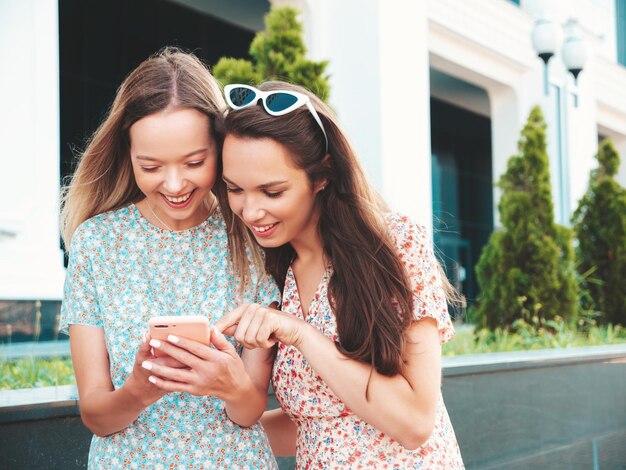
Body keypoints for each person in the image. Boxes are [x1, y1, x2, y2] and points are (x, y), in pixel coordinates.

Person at [213, 82, 465, 468]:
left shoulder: (394, 245)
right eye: (235, 189)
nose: (250, 211)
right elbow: (318, 427)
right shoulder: (273, 278)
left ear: (322, 175)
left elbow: (415, 422)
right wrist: (206, 429)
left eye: (272, 191)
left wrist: (302, 335)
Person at [59, 49, 280, 469]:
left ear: (219, 148)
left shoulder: (251, 238)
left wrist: (231, 385)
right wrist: (140, 389)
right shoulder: (96, 245)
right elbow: (96, 416)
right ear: (127, 155)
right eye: (151, 166)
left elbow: (249, 412)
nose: (175, 183)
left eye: (194, 162)